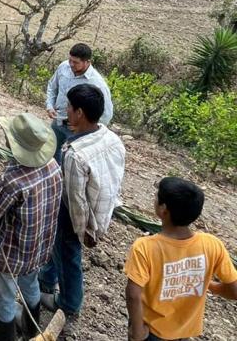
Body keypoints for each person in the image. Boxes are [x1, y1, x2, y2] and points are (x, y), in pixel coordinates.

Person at [0, 113, 62, 341]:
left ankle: (3, 337)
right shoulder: (53, 166)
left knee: (3, 296)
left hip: (12, 253)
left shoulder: (11, 180)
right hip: (39, 246)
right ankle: (31, 330)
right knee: (31, 285)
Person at [39, 84, 126, 321]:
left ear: (79, 113)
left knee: (69, 253)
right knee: (59, 247)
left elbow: (75, 201)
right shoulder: (112, 138)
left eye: (68, 106)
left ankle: (68, 304)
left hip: (77, 214)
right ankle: (46, 279)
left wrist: (84, 231)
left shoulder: (74, 153)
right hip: (101, 208)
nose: (65, 110)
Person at [124, 177, 237, 341]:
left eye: (157, 196)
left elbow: (133, 294)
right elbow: (234, 291)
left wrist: (137, 332)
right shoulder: (212, 245)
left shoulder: (144, 247)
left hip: (151, 331)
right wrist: (210, 286)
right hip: (184, 332)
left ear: (164, 209)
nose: (154, 198)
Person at [45, 43, 113, 162]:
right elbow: (52, 86)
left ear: (87, 62)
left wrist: (85, 127)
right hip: (58, 121)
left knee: (69, 160)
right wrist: (50, 105)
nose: (71, 64)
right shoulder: (63, 67)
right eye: (70, 60)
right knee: (49, 153)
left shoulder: (96, 82)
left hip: (77, 131)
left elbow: (106, 114)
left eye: (75, 62)